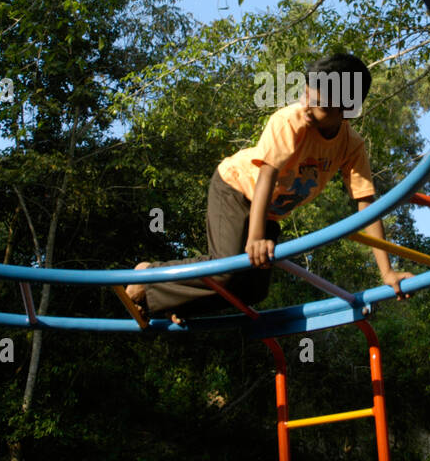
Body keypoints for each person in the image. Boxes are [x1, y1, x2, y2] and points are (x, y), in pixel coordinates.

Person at [121, 53, 414, 325]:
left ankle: (176, 305)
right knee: (225, 269)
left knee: (252, 290)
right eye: (306, 96)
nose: (308, 107)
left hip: (271, 212)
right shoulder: (290, 121)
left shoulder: (351, 145)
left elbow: (366, 204)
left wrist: (386, 271)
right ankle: (148, 278)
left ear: (348, 111)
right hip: (236, 188)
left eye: (320, 105)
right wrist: (255, 238)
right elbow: (267, 175)